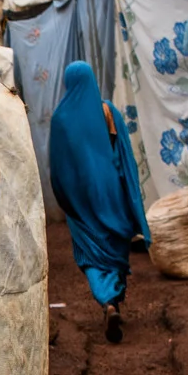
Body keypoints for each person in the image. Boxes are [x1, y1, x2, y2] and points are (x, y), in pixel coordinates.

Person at [47, 58, 150, 344]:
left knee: (89, 252)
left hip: (80, 198)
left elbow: (57, 167)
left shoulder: (60, 119)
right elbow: (123, 152)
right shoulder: (107, 111)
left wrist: (65, 198)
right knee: (115, 244)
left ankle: (107, 301)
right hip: (111, 191)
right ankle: (113, 299)